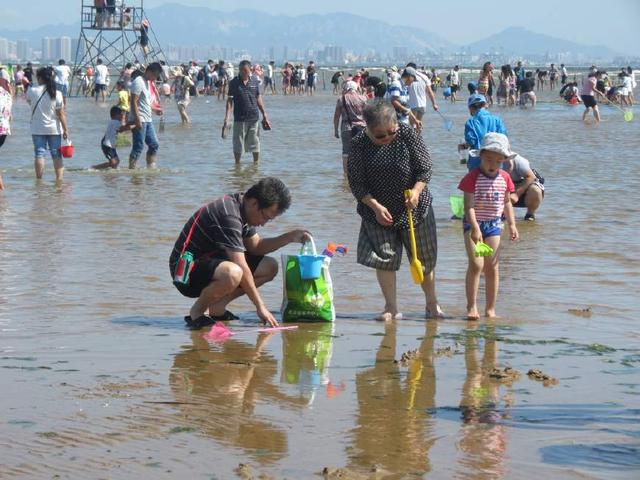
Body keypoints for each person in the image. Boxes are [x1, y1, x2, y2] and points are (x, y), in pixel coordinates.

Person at [169, 177, 310, 329]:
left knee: (270, 266)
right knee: (234, 273)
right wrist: (260, 306)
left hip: (210, 262)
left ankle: (218, 307)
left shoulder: (242, 205)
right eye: (266, 217)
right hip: (184, 272)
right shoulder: (228, 214)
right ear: (255, 203)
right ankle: (197, 312)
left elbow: (256, 246)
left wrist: (289, 237)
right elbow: (240, 264)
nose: (264, 223)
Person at [347, 101, 443, 321]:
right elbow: (357, 183)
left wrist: (417, 191)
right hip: (377, 211)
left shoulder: (406, 133)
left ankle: (432, 304)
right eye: (380, 136)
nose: (387, 138)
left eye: (391, 132)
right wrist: (376, 207)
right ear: (368, 129)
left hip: (415, 208)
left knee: (424, 258)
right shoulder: (359, 144)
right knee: (385, 258)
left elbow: (425, 168)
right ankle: (391, 307)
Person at [458, 132, 519, 320]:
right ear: (481, 156)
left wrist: (512, 224)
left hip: (493, 225)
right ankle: (472, 306)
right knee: (476, 265)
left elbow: (507, 203)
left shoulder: (505, 178)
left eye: (498, 161)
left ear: (503, 161)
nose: (493, 165)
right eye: (489, 159)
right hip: (473, 224)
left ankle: (490, 309)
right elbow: (468, 206)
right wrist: (475, 227)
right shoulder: (472, 177)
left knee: (492, 266)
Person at [26, 66, 69, 182]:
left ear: (40, 78)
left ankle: (39, 181)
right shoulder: (57, 93)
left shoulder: (32, 91)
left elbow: (29, 102)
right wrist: (66, 130)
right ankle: (59, 181)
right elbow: (61, 114)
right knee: (56, 155)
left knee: (39, 154)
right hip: (54, 129)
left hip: (37, 128)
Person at [224, 60, 271, 163]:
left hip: (254, 117)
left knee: (255, 143)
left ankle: (256, 164)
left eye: (245, 70)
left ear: (250, 70)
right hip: (239, 118)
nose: (242, 72)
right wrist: (227, 118)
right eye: (240, 70)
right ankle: (237, 164)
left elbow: (258, 97)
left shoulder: (254, 80)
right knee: (238, 143)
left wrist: (264, 114)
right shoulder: (234, 82)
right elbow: (229, 102)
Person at [458, 94, 508, 171]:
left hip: (477, 162)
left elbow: (471, 141)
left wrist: (462, 146)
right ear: (485, 105)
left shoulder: (471, 122)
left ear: (470, 108)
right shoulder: (497, 120)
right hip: (496, 161)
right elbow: (504, 138)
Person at [128, 63, 162, 169]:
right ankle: (132, 169)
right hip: (140, 118)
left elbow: (145, 103)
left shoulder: (147, 82)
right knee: (139, 146)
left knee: (154, 144)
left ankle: (151, 168)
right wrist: (137, 120)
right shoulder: (138, 81)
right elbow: (133, 101)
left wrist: (155, 110)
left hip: (148, 119)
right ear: (149, 72)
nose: (155, 78)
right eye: (155, 75)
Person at [333, 80, 367, 174]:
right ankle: (361, 173)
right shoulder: (363, 99)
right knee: (362, 152)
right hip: (362, 128)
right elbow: (368, 115)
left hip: (346, 128)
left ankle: (346, 176)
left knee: (346, 153)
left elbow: (337, 116)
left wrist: (336, 130)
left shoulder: (341, 99)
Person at [502, 152, 544, 221]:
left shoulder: (517, 160)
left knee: (535, 190)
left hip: (521, 190)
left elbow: (531, 177)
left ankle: (529, 215)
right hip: (502, 190)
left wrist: (516, 194)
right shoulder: (483, 159)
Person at [0, 72, 12, 189]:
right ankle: (1, 187)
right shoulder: (7, 94)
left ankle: (1, 186)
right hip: (4, 130)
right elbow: (9, 116)